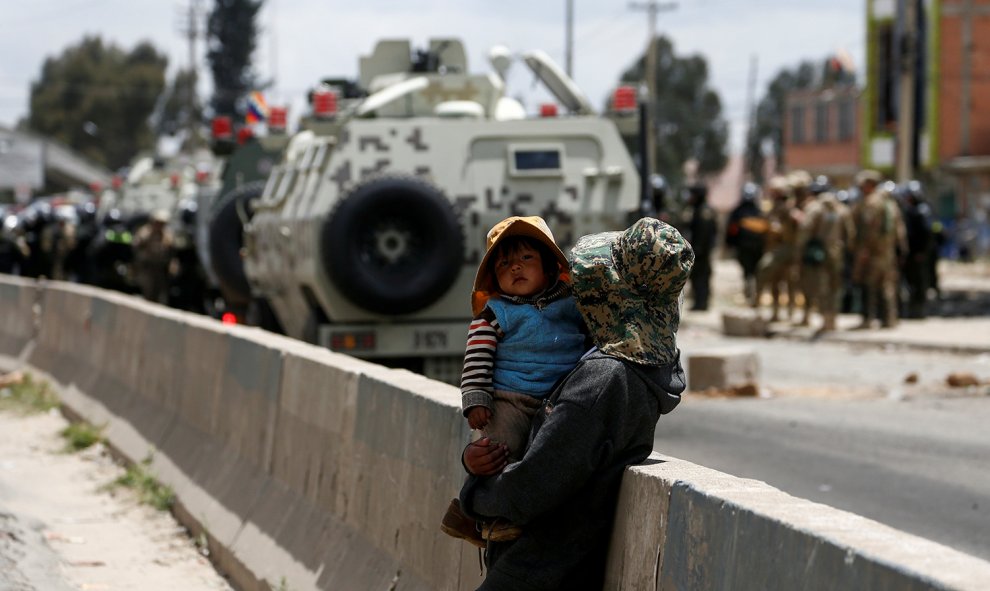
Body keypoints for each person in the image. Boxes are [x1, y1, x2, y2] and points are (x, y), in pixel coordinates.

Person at [458, 217, 693, 591]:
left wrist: (472, 495)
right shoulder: (646, 371)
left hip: (538, 569)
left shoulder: (604, 380)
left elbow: (530, 487)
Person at [441, 215, 587, 546]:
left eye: (526, 259)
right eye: (505, 264)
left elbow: (591, 339)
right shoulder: (496, 312)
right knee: (497, 451)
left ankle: (478, 516)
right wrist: (476, 398)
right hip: (511, 400)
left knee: (546, 462)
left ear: (550, 266)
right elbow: (477, 356)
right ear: (495, 277)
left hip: (560, 399)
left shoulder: (571, 305)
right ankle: (486, 517)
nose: (515, 268)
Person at [724, 181, 768, 306]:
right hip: (748, 247)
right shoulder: (748, 212)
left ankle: (752, 292)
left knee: (751, 271)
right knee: (750, 271)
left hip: (750, 248)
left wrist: (729, 243)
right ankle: (751, 291)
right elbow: (732, 230)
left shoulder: (753, 212)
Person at [681, 182, 717, 310]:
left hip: (702, 251)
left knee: (701, 276)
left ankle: (701, 303)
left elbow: (705, 232)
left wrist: (699, 249)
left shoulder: (704, 211)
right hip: (698, 250)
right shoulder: (697, 209)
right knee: (697, 276)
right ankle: (699, 302)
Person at [132, 209, 175, 304]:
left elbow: (171, 251)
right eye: (158, 223)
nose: (160, 226)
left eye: (162, 223)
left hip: (160, 269)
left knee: (161, 294)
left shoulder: (166, 235)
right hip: (147, 268)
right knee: (148, 291)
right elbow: (136, 247)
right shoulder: (145, 233)